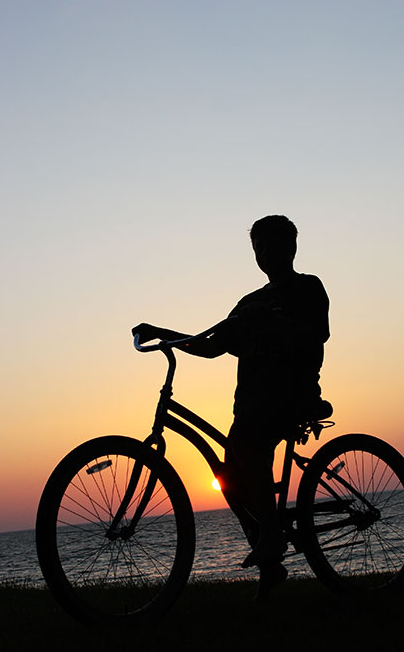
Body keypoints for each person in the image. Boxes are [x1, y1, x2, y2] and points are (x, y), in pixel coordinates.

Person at [132, 215, 330, 597]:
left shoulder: (307, 288)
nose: (265, 254)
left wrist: (274, 322)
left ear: (291, 247)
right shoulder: (249, 302)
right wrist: (164, 335)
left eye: (272, 245)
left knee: (246, 443)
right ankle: (270, 561)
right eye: (258, 248)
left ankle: (271, 535)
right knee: (229, 474)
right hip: (252, 407)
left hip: (292, 397)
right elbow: (209, 344)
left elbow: (317, 333)